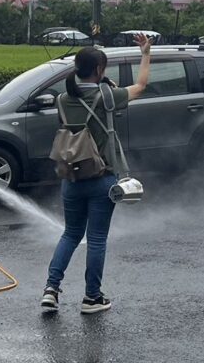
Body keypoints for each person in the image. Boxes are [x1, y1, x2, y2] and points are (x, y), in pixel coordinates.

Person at [41, 33, 151, 314]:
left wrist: (101, 82)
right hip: (102, 178)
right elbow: (141, 86)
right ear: (100, 70)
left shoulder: (64, 99)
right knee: (97, 239)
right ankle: (92, 298)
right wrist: (145, 53)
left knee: (70, 234)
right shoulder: (107, 96)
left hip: (72, 177)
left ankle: (51, 290)